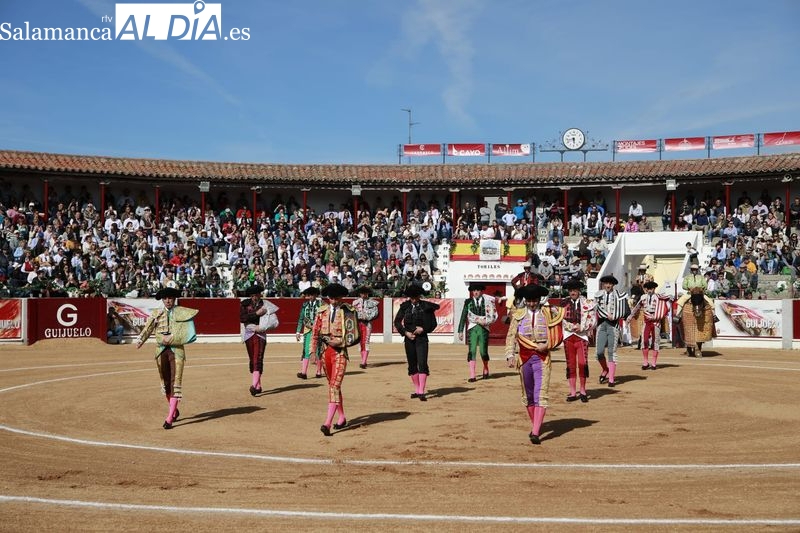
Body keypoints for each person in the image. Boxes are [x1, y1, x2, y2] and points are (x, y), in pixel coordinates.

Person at [504, 284, 565, 444]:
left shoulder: (548, 313)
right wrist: (510, 354)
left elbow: (558, 333)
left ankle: (536, 432)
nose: (532, 303)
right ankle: (536, 425)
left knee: (541, 394)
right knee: (528, 395)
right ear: (526, 300)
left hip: (542, 356)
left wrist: (548, 345)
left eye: (534, 300)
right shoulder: (518, 314)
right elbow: (511, 335)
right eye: (529, 301)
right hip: (524, 358)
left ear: (539, 300)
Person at [135, 287, 198, 430]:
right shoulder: (157, 313)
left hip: (177, 351)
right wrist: (141, 340)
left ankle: (169, 418)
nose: (168, 300)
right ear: (162, 300)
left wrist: (173, 337)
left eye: (170, 298)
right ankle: (174, 410)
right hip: (160, 351)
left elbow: (189, 332)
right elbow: (148, 328)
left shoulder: (182, 312)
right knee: (166, 383)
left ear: (174, 299)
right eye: (165, 298)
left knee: (175, 383)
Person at [309, 283, 359, 436]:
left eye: (336, 298)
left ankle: (327, 423)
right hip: (325, 353)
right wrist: (312, 351)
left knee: (334, 386)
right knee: (333, 386)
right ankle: (342, 417)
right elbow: (315, 333)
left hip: (339, 352)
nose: (333, 300)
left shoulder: (349, 311)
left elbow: (354, 335)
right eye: (331, 297)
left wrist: (341, 342)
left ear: (340, 297)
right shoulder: (321, 311)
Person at [394, 284, 440, 401]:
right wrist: (406, 333)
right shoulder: (405, 306)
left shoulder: (426, 306)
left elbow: (433, 323)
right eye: (411, 298)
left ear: (419, 296)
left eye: (415, 297)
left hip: (422, 338)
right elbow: (397, 322)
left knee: (422, 363)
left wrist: (423, 329)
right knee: (412, 364)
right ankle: (417, 389)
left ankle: (421, 391)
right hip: (409, 339)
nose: (413, 300)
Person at [560, 279, 595, 402]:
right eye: (570, 290)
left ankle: (583, 390)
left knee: (582, 363)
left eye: (575, 290)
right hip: (568, 336)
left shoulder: (587, 303)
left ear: (579, 290)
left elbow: (593, 320)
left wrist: (583, 327)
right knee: (571, 364)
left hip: (582, 336)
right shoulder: (563, 303)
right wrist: (571, 327)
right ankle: (573, 392)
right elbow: (560, 319)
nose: (572, 292)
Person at [240, 284, 278, 395]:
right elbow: (242, 318)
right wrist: (257, 313)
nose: (254, 297)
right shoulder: (244, 304)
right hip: (248, 334)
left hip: (260, 334)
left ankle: (254, 385)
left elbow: (275, 322)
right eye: (252, 296)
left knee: (258, 358)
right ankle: (258, 385)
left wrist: (262, 327)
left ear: (260, 294)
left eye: (256, 295)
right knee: (253, 359)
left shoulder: (266, 305)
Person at [457, 282, 498, 382]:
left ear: (481, 291)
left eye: (477, 290)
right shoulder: (468, 302)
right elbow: (463, 315)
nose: (475, 292)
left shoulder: (487, 301)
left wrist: (486, 321)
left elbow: (492, 314)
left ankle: (485, 368)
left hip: (484, 328)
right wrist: (460, 331)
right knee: (472, 351)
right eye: (474, 291)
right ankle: (472, 375)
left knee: (483, 351)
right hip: (472, 328)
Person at [594, 274, 629, 387]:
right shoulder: (598, 295)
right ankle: (605, 369)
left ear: (613, 285)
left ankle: (611, 379)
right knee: (599, 352)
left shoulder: (620, 296)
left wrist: (623, 318)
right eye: (606, 283)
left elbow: (626, 311)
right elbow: (594, 309)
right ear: (603, 284)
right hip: (601, 325)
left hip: (613, 326)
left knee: (611, 352)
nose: (608, 285)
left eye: (610, 283)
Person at [629, 281, 672, 370]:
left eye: (651, 288)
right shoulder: (643, 297)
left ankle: (653, 363)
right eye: (648, 289)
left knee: (655, 342)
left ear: (654, 289)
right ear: (646, 289)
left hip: (656, 321)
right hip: (647, 321)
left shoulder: (659, 297)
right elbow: (637, 307)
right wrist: (630, 316)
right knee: (644, 341)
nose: (649, 290)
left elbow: (667, 305)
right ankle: (645, 362)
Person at [295, 286, 323, 379]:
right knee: (306, 350)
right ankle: (304, 373)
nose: (310, 297)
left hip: (319, 330)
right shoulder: (305, 305)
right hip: (308, 330)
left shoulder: (321, 304)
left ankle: (319, 372)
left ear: (315, 295)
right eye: (308, 295)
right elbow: (301, 318)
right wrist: (298, 331)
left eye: (312, 295)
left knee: (318, 350)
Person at [352, 285, 379, 369]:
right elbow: (352, 313)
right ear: (360, 294)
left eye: (365, 293)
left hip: (367, 323)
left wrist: (367, 317)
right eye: (362, 293)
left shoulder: (372, 302)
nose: (364, 295)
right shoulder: (355, 303)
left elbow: (375, 313)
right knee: (360, 342)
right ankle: (364, 360)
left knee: (366, 341)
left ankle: (363, 362)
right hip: (358, 323)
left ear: (367, 294)